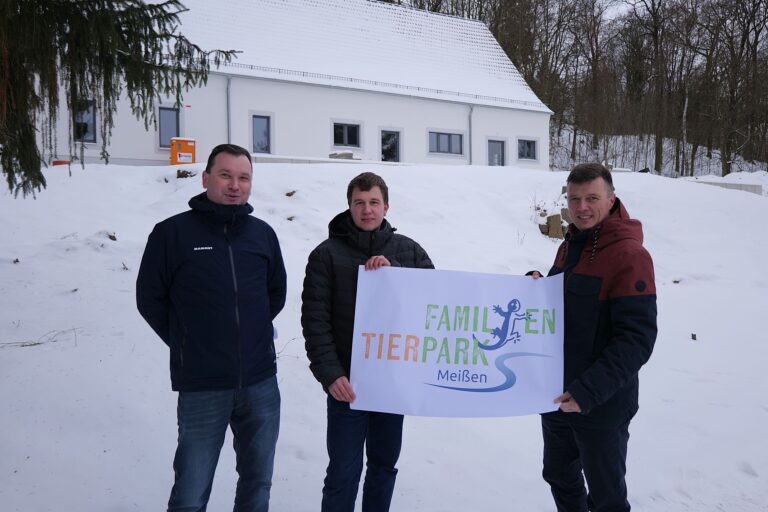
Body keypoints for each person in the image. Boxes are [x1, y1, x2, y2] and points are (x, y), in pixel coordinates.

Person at [136, 143, 287, 512]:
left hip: (260, 384)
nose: (235, 185)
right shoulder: (172, 234)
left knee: (257, 484)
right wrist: (187, 341)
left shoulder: (262, 235)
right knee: (190, 493)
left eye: (244, 177)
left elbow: (275, 293)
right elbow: (149, 299)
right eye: (225, 175)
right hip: (203, 386)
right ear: (206, 178)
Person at [301, 172, 433, 512]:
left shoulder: (409, 250)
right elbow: (315, 322)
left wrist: (396, 272)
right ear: (349, 206)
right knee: (344, 471)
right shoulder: (325, 255)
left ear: (386, 206)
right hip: (348, 385)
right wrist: (331, 375)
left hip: (391, 385)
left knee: (383, 467)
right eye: (359, 203)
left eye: (374, 202)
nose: (367, 210)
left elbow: (434, 301)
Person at [539, 163, 657, 512]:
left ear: (611, 199)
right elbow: (558, 308)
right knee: (558, 474)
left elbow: (636, 339)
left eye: (592, 197)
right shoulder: (570, 245)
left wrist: (587, 392)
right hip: (558, 395)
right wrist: (537, 286)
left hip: (601, 404)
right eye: (574, 199)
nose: (582, 207)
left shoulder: (630, 256)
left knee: (606, 497)